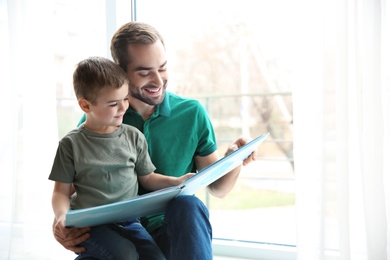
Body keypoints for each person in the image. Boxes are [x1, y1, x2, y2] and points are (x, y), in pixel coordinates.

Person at [53, 22, 257, 260]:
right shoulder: (100, 118)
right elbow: (70, 191)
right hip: (112, 235)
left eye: (162, 68)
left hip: (169, 233)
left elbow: (218, 188)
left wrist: (234, 158)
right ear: (120, 71)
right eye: (144, 72)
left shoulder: (191, 113)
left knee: (188, 205)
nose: (158, 81)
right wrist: (61, 226)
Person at [49, 56, 194, 260]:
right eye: (113, 104)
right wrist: (62, 216)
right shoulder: (70, 145)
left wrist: (178, 182)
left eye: (125, 99)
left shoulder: (133, 136)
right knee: (125, 255)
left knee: (156, 258)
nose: (123, 108)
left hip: (129, 221)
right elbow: (60, 192)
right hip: (90, 226)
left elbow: (148, 178)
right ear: (85, 106)